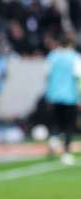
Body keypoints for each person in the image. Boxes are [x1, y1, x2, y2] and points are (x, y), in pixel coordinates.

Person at [45, 34, 81, 165]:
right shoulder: (75, 58)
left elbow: (47, 76)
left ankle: (54, 139)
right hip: (70, 96)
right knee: (69, 125)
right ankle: (66, 152)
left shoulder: (52, 56)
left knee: (56, 121)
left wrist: (48, 94)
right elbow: (78, 77)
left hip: (54, 94)